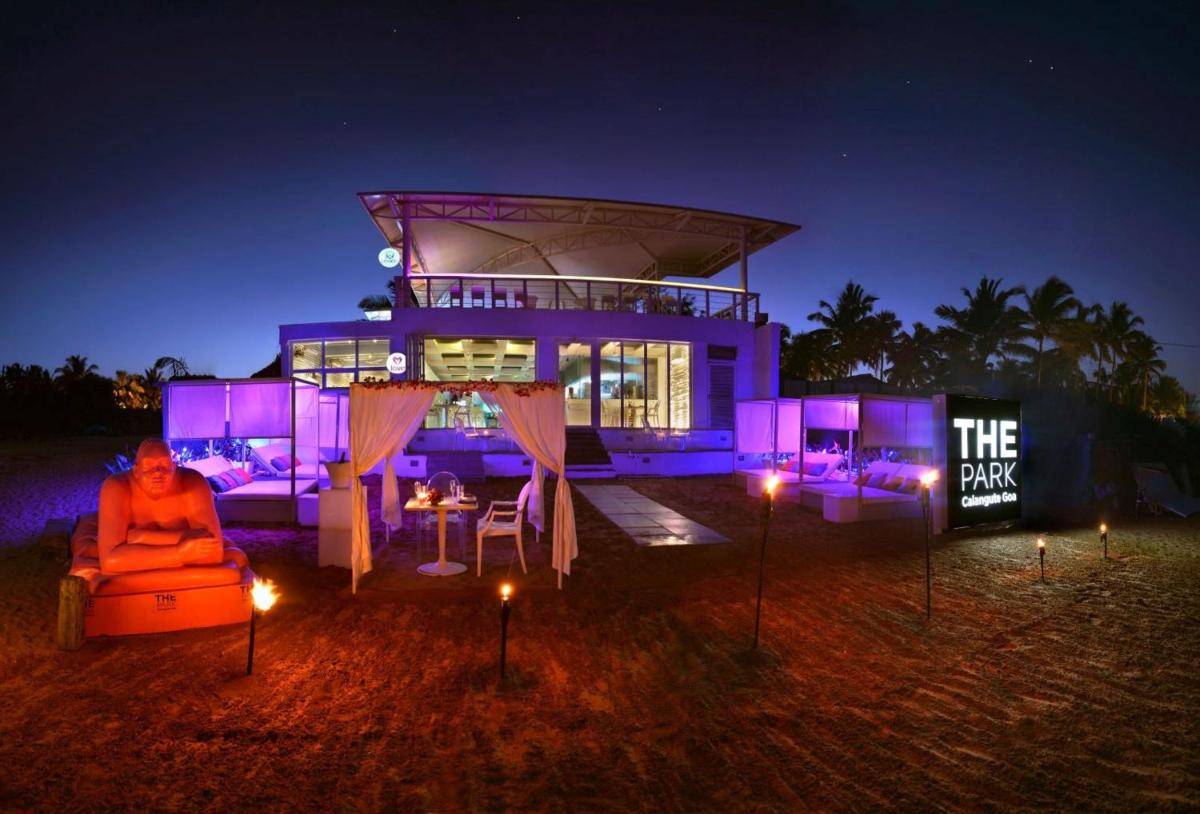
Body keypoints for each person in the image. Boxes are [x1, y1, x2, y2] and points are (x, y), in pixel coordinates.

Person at [97, 439, 225, 574]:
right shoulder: (116, 488)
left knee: (237, 558)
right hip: (177, 557)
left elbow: (215, 551)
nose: (158, 473)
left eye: (164, 465)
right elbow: (109, 561)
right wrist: (180, 553)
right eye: (149, 466)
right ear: (136, 471)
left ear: (174, 468)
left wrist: (140, 538)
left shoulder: (193, 483)